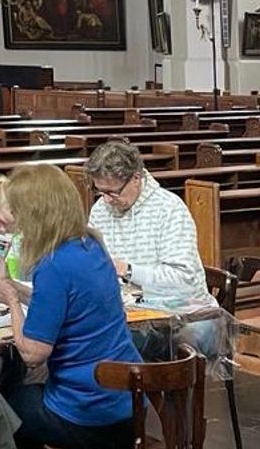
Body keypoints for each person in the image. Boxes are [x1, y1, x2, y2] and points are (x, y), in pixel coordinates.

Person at [0, 164, 141, 449]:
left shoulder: (54, 263)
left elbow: (33, 353)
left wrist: (11, 301)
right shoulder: (91, 244)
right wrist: (18, 292)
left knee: (1, 401)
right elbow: (70, 305)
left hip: (87, 415)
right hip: (126, 403)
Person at [84, 141, 219, 355]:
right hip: (128, 312)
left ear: (136, 178)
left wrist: (129, 270)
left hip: (183, 314)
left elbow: (182, 282)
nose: (107, 200)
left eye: (113, 192)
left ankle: (136, 386)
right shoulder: (100, 210)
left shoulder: (169, 209)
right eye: (100, 192)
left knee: (118, 344)